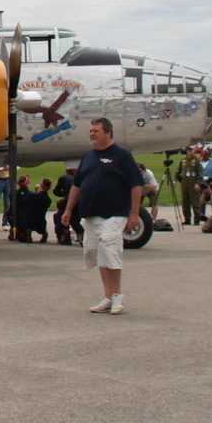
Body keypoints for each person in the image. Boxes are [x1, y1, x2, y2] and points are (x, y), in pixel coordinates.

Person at [62, 118, 143, 315]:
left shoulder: (122, 155)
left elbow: (136, 184)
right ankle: (107, 296)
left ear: (108, 133)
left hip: (114, 213)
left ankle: (117, 296)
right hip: (91, 213)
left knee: (110, 249)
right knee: (98, 254)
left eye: (96, 131)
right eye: (90, 130)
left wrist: (134, 214)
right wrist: (68, 209)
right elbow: (77, 184)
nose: (92, 134)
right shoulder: (88, 156)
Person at [179, 147, 201, 226]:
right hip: (185, 184)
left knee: (195, 202)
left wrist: (198, 183)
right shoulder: (183, 160)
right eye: (188, 151)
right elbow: (178, 171)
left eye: (191, 150)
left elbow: (200, 173)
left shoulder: (196, 160)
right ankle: (187, 219)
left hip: (193, 183)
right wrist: (177, 180)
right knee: (185, 202)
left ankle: (197, 219)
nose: (189, 152)